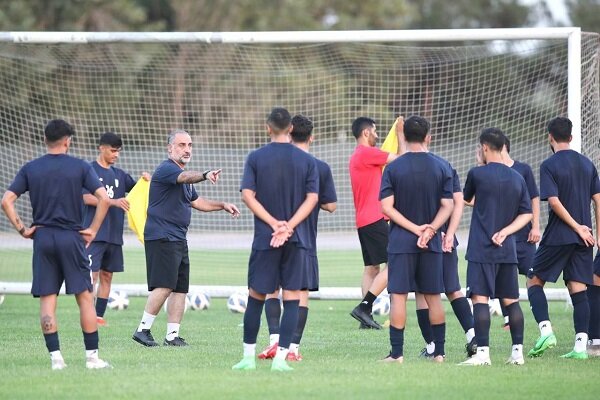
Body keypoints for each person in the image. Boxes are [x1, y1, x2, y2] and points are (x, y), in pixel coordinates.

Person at [1, 119, 111, 370]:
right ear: (67, 140)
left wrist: (23, 229)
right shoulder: (80, 167)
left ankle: (56, 359)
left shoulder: (31, 168)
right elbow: (103, 199)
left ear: (45, 140)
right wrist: (93, 230)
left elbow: (6, 201)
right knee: (84, 296)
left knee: (48, 299)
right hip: (71, 237)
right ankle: (92, 359)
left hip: (42, 238)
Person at [132, 129, 240, 347]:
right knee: (164, 285)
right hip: (162, 237)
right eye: (181, 145)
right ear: (170, 148)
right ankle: (142, 330)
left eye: (189, 145)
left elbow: (197, 202)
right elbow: (184, 177)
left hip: (178, 238)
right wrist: (205, 174)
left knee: (180, 288)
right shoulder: (167, 169)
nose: (187, 149)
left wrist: (222, 205)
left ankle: (172, 336)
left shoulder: (183, 177)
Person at [233, 107, 319, 372]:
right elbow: (313, 198)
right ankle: (281, 361)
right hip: (296, 239)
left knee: (256, 296)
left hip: (265, 239)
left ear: (267, 127)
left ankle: (248, 359)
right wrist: (289, 226)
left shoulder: (256, 157)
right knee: (292, 297)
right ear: (290, 129)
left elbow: (247, 195)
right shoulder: (307, 160)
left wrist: (273, 224)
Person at [257, 114, 337, 362]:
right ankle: (292, 348)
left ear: (289, 132)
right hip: (303, 238)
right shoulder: (319, 167)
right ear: (312, 137)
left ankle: (273, 342)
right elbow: (331, 206)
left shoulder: (272, 163)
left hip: (273, 235)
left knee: (272, 289)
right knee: (300, 293)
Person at [379, 115, 454, 363]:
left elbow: (386, 208)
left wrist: (414, 229)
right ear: (428, 137)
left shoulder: (393, 167)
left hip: (401, 241)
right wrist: (430, 229)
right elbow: (448, 205)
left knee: (398, 295)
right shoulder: (442, 166)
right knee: (433, 296)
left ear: (406, 136)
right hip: (431, 243)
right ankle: (439, 354)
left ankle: (397, 354)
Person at [526, 117, 600, 359]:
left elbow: (554, 202)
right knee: (578, 290)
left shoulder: (549, 165)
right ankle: (580, 347)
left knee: (533, 282)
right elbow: (598, 200)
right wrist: (596, 232)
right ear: (571, 137)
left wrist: (577, 227)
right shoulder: (588, 164)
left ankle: (546, 331)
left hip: (560, 236)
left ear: (550, 137)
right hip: (585, 239)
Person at [459, 128, 532, 366]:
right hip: (508, 250)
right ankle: (518, 354)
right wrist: (506, 232)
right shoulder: (518, 177)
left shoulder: (477, 174)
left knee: (480, 300)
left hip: (482, 249)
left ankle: (483, 355)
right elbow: (526, 214)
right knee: (511, 301)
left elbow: (466, 199)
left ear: (485, 147)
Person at [83, 132, 150, 327]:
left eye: (118, 151)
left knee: (107, 275)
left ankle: (98, 316)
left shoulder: (120, 175)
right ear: (101, 148)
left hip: (114, 235)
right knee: (91, 275)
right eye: (113, 151)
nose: (116, 155)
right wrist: (112, 202)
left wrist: (146, 180)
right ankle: (87, 315)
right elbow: (85, 197)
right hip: (94, 234)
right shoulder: (88, 170)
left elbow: (138, 190)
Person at [415, 163, 476, 359]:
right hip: (444, 236)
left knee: (422, 292)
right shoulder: (445, 167)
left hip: (419, 237)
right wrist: (449, 233)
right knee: (452, 288)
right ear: (428, 137)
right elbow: (458, 202)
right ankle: (472, 335)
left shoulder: (405, 167)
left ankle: (433, 346)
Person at [349, 116, 403, 329]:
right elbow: (402, 159)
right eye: (374, 131)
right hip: (376, 218)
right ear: (366, 133)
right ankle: (365, 306)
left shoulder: (357, 156)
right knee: (396, 262)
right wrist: (399, 133)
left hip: (363, 220)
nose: (377, 135)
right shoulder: (368, 153)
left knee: (371, 268)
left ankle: (365, 318)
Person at [497, 135, 541, 329]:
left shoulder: (523, 169)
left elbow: (534, 199)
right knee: (502, 276)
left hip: (524, 236)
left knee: (533, 275)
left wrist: (536, 226)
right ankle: (508, 318)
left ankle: (540, 316)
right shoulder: (488, 172)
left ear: (503, 146)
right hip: (501, 236)